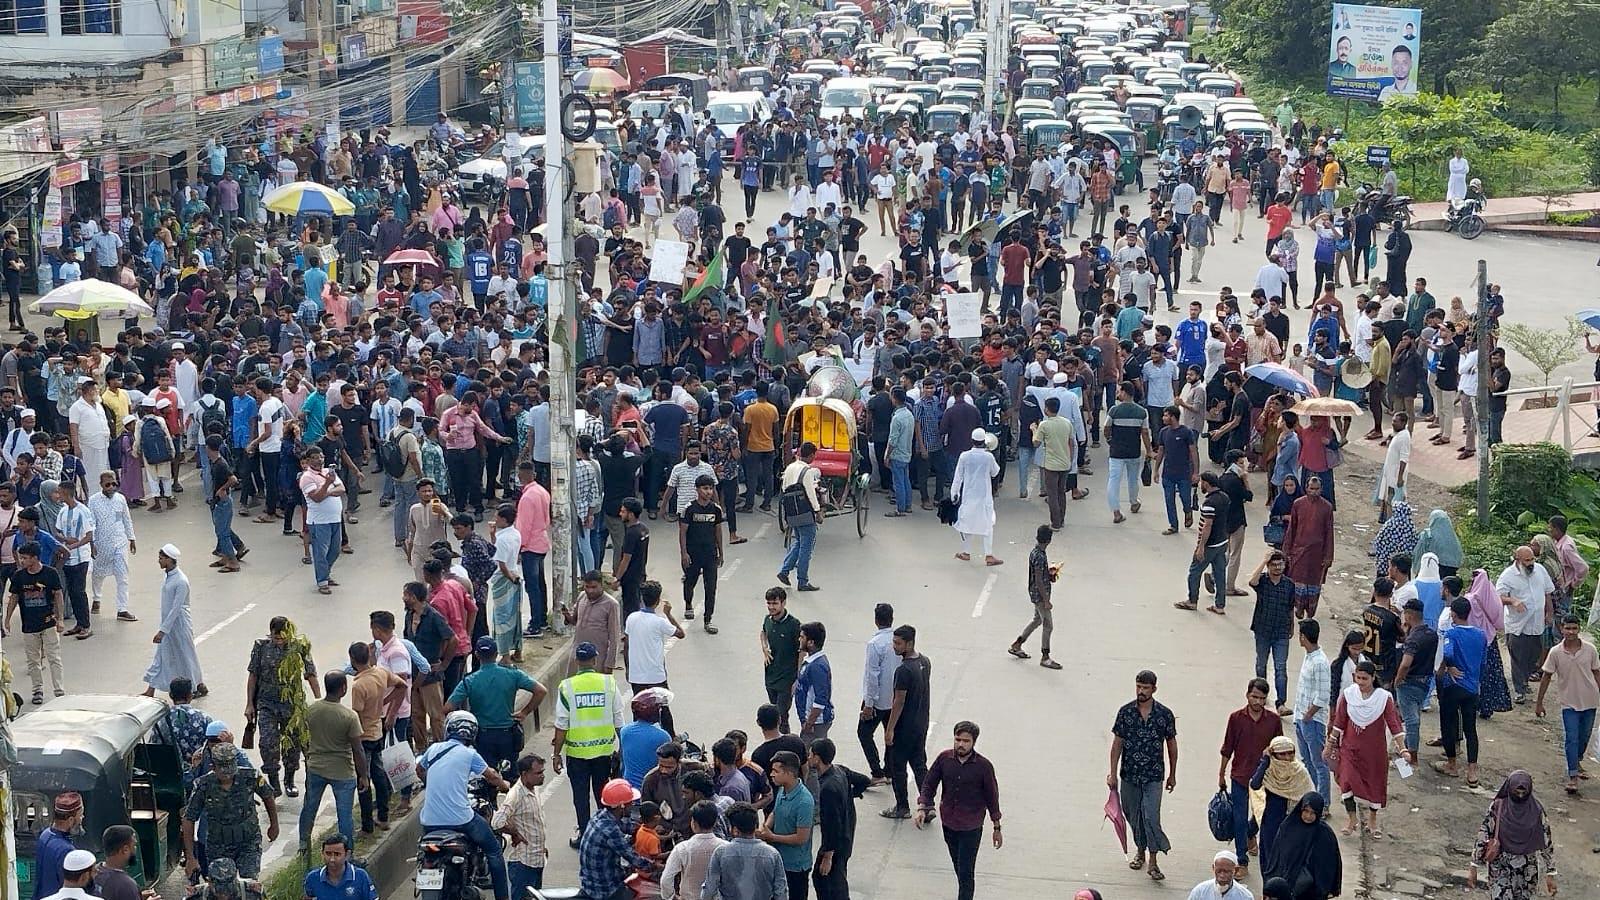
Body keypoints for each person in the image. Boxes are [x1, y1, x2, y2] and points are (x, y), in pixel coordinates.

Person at [416, 712, 510, 900]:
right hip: (461, 820)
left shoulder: (434, 749)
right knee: (493, 850)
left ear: (448, 729)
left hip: (429, 821)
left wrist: (432, 781)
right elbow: (490, 775)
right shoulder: (470, 754)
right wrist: (505, 785)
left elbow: (419, 770)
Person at [915, 722, 1002, 900]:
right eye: (958, 739)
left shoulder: (984, 767)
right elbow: (929, 784)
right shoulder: (944, 759)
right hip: (949, 823)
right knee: (958, 866)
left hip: (971, 827)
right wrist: (923, 806)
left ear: (974, 742)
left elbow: (992, 797)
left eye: (966, 741)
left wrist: (996, 827)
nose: (961, 744)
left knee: (965, 872)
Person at [1327, 661, 1411, 838]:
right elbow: (1339, 723)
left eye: (1365, 678)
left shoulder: (1384, 698)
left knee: (1375, 785)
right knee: (1347, 781)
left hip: (1375, 752)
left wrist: (1403, 749)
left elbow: (1394, 725)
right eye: (1358, 678)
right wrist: (1330, 744)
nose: (1361, 682)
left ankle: (1373, 820)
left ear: (1373, 678)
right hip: (1350, 750)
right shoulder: (1348, 696)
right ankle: (1352, 819)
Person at [552, 641, 625, 844]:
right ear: (594, 660)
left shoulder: (567, 687)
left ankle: (585, 834)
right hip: (603, 752)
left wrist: (556, 754)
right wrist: (623, 748)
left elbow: (561, 724)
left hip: (577, 755)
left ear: (577, 661)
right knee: (604, 795)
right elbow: (618, 719)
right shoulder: (608, 683)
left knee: (580, 798)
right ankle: (605, 833)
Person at [1109, 670, 1178, 880]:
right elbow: (1117, 744)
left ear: (1154, 689)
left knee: (1151, 816)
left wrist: (1172, 774)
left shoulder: (1164, 714)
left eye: (1145, 688)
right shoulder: (1126, 712)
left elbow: (1172, 745)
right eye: (1138, 686)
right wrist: (1112, 774)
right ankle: (1140, 850)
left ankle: (1154, 861)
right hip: (1129, 775)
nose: (1141, 691)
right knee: (1133, 815)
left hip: (1153, 776)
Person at [446, 637, 546, 771]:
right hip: (508, 735)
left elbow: (448, 708)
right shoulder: (513, 674)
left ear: (476, 655)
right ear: (497, 653)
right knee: (509, 776)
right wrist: (524, 712)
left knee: (486, 777)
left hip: (482, 737)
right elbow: (541, 691)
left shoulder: (469, 681)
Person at [182, 743, 279, 878]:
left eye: (230, 769)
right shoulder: (203, 785)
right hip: (218, 846)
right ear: (213, 767)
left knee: (249, 883)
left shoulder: (251, 777)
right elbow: (189, 819)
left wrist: (274, 825)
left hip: (248, 842)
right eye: (222, 770)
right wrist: (191, 857)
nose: (227, 775)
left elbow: (268, 796)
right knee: (222, 887)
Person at [298, 671, 368, 852]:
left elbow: (303, 737)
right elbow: (358, 749)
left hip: (316, 768)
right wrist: (364, 776)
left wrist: (309, 755)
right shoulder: (349, 716)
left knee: (309, 809)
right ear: (343, 689)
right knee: (344, 816)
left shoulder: (311, 710)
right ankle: (347, 854)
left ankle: (303, 847)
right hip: (342, 772)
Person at [1219, 678, 1282, 874]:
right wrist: (1221, 773)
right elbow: (1227, 748)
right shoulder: (1236, 718)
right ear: (1247, 695)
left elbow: (1279, 747)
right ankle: (1241, 860)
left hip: (1265, 778)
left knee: (1260, 816)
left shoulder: (1273, 721)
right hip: (1239, 776)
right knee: (1238, 818)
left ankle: (1250, 833)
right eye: (1254, 696)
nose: (1257, 701)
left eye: (1262, 698)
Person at [1534, 615, 1600, 795]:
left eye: (1574, 628)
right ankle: (1572, 777)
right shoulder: (1555, 652)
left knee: (1584, 737)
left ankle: (1576, 761)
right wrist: (1539, 703)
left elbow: (1597, 673)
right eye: (1567, 628)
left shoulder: (1590, 650)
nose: (1571, 632)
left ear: (1579, 629)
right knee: (1571, 738)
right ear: (1561, 629)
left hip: (1590, 701)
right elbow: (1546, 677)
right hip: (1568, 703)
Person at [1468, 772, 1556, 900]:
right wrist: (1473, 866)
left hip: (1526, 871)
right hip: (1501, 867)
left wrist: (1551, 872)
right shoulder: (1498, 807)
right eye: (1517, 792)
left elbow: (1546, 841)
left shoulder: (1537, 811)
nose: (1520, 796)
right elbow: (1484, 833)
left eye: (1523, 793)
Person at [1437, 594, 1489, 785]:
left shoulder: (1452, 633)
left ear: (1453, 614)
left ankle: (1452, 764)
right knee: (1470, 728)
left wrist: (1450, 667)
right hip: (1472, 687)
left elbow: (1448, 653)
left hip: (1453, 685)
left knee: (1449, 724)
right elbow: (1483, 662)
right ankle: (1472, 769)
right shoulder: (1481, 635)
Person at [6, 539, 65, 704]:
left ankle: (59, 690)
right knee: (33, 660)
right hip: (29, 626)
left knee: (54, 657)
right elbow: (14, 598)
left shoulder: (50, 573)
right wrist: (7, 619)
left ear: (35, 558)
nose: (22, 561)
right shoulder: (19, 576)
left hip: (48, 623)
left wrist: (60, 619)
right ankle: (37, 690)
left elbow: (58, 595)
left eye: (25, 558)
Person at [883, 624, 932, 820]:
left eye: (898, 643)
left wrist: (890, 729)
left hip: (904, 727)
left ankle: (902, 806)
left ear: (909, 643)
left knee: (898, 767)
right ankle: (927, 805)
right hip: (921, 723)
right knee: (919, 765)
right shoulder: (924, 662)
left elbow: (899, 701)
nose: (894, 646)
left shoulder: (903, 670)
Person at [142, 543, 202, 697]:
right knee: (161, 655)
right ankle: (151, 690)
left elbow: (176, 609)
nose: (159, 561)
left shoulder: (181, 581)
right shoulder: (169, 576)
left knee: (185, 655)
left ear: (170, 560)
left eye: (162, 558)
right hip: (168, 623)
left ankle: (197, 685)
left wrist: (163, 631)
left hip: (179, 624)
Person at [1498, 545, 1555, 705]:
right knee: (1517, 656)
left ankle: (1524, 680)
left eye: (1532, 559)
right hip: (1517, 624)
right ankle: (1519, 690)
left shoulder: (1540, 570)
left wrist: (1549, 613)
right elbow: (1499, 596)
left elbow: (1548, 592)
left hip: (1537, 623)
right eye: (1527, 560)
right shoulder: (1508, 576)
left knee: (1534, 655)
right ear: (1518, 560)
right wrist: (1513, 600)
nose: (1531, 563)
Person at [577, 779, 652, 900]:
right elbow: (632, 857)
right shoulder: (610, 830)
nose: (632, 804)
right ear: (621, 806)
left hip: (593, 879)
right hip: (604, 889)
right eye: (630, 802)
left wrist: (643, 828)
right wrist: (656, 867)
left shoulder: (601, 815)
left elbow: (623, 826)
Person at [1261, 792, 1342, 900]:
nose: (1308, 816)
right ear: (1301, 808)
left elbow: (1329, 865)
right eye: (1306, 811)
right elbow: (1277, 856)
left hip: (1311, 889)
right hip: (1285, 881)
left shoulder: (1324, 833)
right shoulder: (1288, 826)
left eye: (1313, 813)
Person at [1248, 736, 1314, 867]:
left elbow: (1310, 797)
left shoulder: (1300, 771)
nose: (1287, 757)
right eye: (1282, 754)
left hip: (1292, 819)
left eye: (1290, 753)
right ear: (1274, 754)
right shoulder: (1269, 770)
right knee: (1269, 858)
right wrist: (1265, 761)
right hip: (1271, 821)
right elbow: (1255, 784)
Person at [756, 750, 814, 898]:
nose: (771, 774)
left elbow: (802, 838)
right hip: (779, 860)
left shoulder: (804, 801)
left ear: (789, 773)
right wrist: (766, 827)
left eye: (776, 771)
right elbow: (775, 812)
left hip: (795, 867)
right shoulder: (783, 790)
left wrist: (772, 837)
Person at [702, 802, 788, 900]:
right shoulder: (772, 854)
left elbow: (709, 891)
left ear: (735, 830)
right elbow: (781, 893)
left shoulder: (721, 853)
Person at [492, 754, 549, 897]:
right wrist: (514, 833)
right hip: (523, 864)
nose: (542, 776)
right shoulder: (515, 795)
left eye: (542, 772)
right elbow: (496, 822)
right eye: (538, 773)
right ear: (525, 774)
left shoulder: (533, 789)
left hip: (537, 859)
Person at [1249, 550, 1297, 714]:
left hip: (1281, 632)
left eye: (1280, 564)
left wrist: (1291, 626)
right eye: (1274, 565)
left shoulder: (1289, 585)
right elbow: (1252, 581)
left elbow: (1291, 608)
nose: (1277, 568)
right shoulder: (1262, 581)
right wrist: (1263, 561)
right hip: (1262, 629)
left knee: (1281, 668)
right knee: (1261, 664)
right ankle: (1260, 697)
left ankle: (1281, 703)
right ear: (1268, 567)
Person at [808, 738, 856, 900]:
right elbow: (862, 780)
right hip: (846, 837)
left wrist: (828, 857)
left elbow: (832, 825)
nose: (808, 758)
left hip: (835, 844)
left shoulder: (828, 789)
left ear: (817, 758)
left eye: (810, 755)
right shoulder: (839, 771)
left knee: (828, 882)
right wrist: (848, 796)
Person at [1009, 525, 1062, 668]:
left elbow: (1039, 575)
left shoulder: (1035, 552)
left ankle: (1017, 644)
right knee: (1048, 625)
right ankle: (1045, 656)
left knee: (1037, 620)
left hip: (1034, 592)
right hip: (1040, 595)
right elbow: (1038, 579)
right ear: (1049, 540)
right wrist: (1046, 600)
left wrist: (1049, 574)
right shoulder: (1039, 555)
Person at [1292, 620, 1332, 804]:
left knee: (1319, 763)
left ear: (1303, 637)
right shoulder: (1309, 657)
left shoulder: (1320, 662)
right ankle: (1313, 797)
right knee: (1307, 761)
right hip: (1301, 717)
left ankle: (1323, 802)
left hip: (1312, 721)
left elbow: (1323, 696)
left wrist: (1308, 715)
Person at [951, 428, 1002, 565]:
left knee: (967, 523)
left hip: (968, 495)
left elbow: (958, 477)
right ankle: (989, 555)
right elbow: (995, 472)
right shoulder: (988, 457)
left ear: (972, 441)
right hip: (984, 496)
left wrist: (954, 493)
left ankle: (966, 552)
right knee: (988, 524)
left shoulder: (964, 456)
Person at [859, 603, 896, 785]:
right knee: (890, 732)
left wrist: (868, 703)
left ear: (876, 620)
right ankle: (889, 770)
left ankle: (877, 770)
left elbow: (872, 675)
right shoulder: (897, 640)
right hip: (894, 698)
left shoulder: (875, 644)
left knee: (864, 733)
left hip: (877, 699)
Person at [777, 442, 822, 591]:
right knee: (806, 546)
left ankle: (784, 570)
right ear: (810, 455)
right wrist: (817, 511)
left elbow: (783, 489)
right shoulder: (807, 471)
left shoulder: (789, 468)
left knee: (798, 542)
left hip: (791, 512)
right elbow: (810, 493)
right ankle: (802, 581)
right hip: (804, 512)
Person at [660, 801, 724, 900]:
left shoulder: (682, 848)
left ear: (693, 823)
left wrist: (671, 897)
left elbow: (665, 880)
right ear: (715, 822)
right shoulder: (725, 848)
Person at [31, 791, 81, 900]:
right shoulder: (66, 850)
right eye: (80, 815)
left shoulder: (45, 835)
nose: (82, 818)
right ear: (71, 820)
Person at [795, 620, 834, 741]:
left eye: (802, 637)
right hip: (810, 721)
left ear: (811, 642)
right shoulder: (811, 661)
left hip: (816, 724)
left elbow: (821, 698)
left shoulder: (817, 666)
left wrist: (809, 723)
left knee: (812, 756)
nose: (799, 640)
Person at [303, 837, 375, 900]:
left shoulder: (361, 876)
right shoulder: (312, 878)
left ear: (347, 855)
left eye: (337, 854)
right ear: (322, 854)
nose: (332, 859)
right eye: (328, 853)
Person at [1187, 850, 1254, 900]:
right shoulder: (1200, 891)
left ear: (1235, 870)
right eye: (1219, 871)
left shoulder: (1245, 896)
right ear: (1213, 868)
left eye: (1226, 872)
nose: (1222, 876)